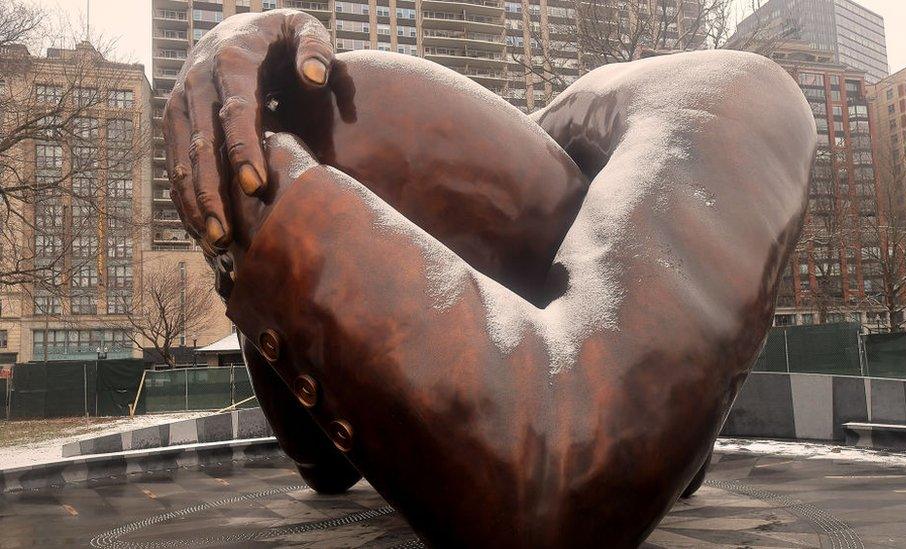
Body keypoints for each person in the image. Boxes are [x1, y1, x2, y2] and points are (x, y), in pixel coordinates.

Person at [163, 10, 815, 547]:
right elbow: (321, 461)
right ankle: (671, 426)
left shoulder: (735, 99)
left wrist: (257, 190)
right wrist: (235, 140)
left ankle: (669, 426)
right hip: (608, 317)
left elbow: (554, 482)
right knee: (315, 127)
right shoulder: (570, 170)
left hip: (697, 136)